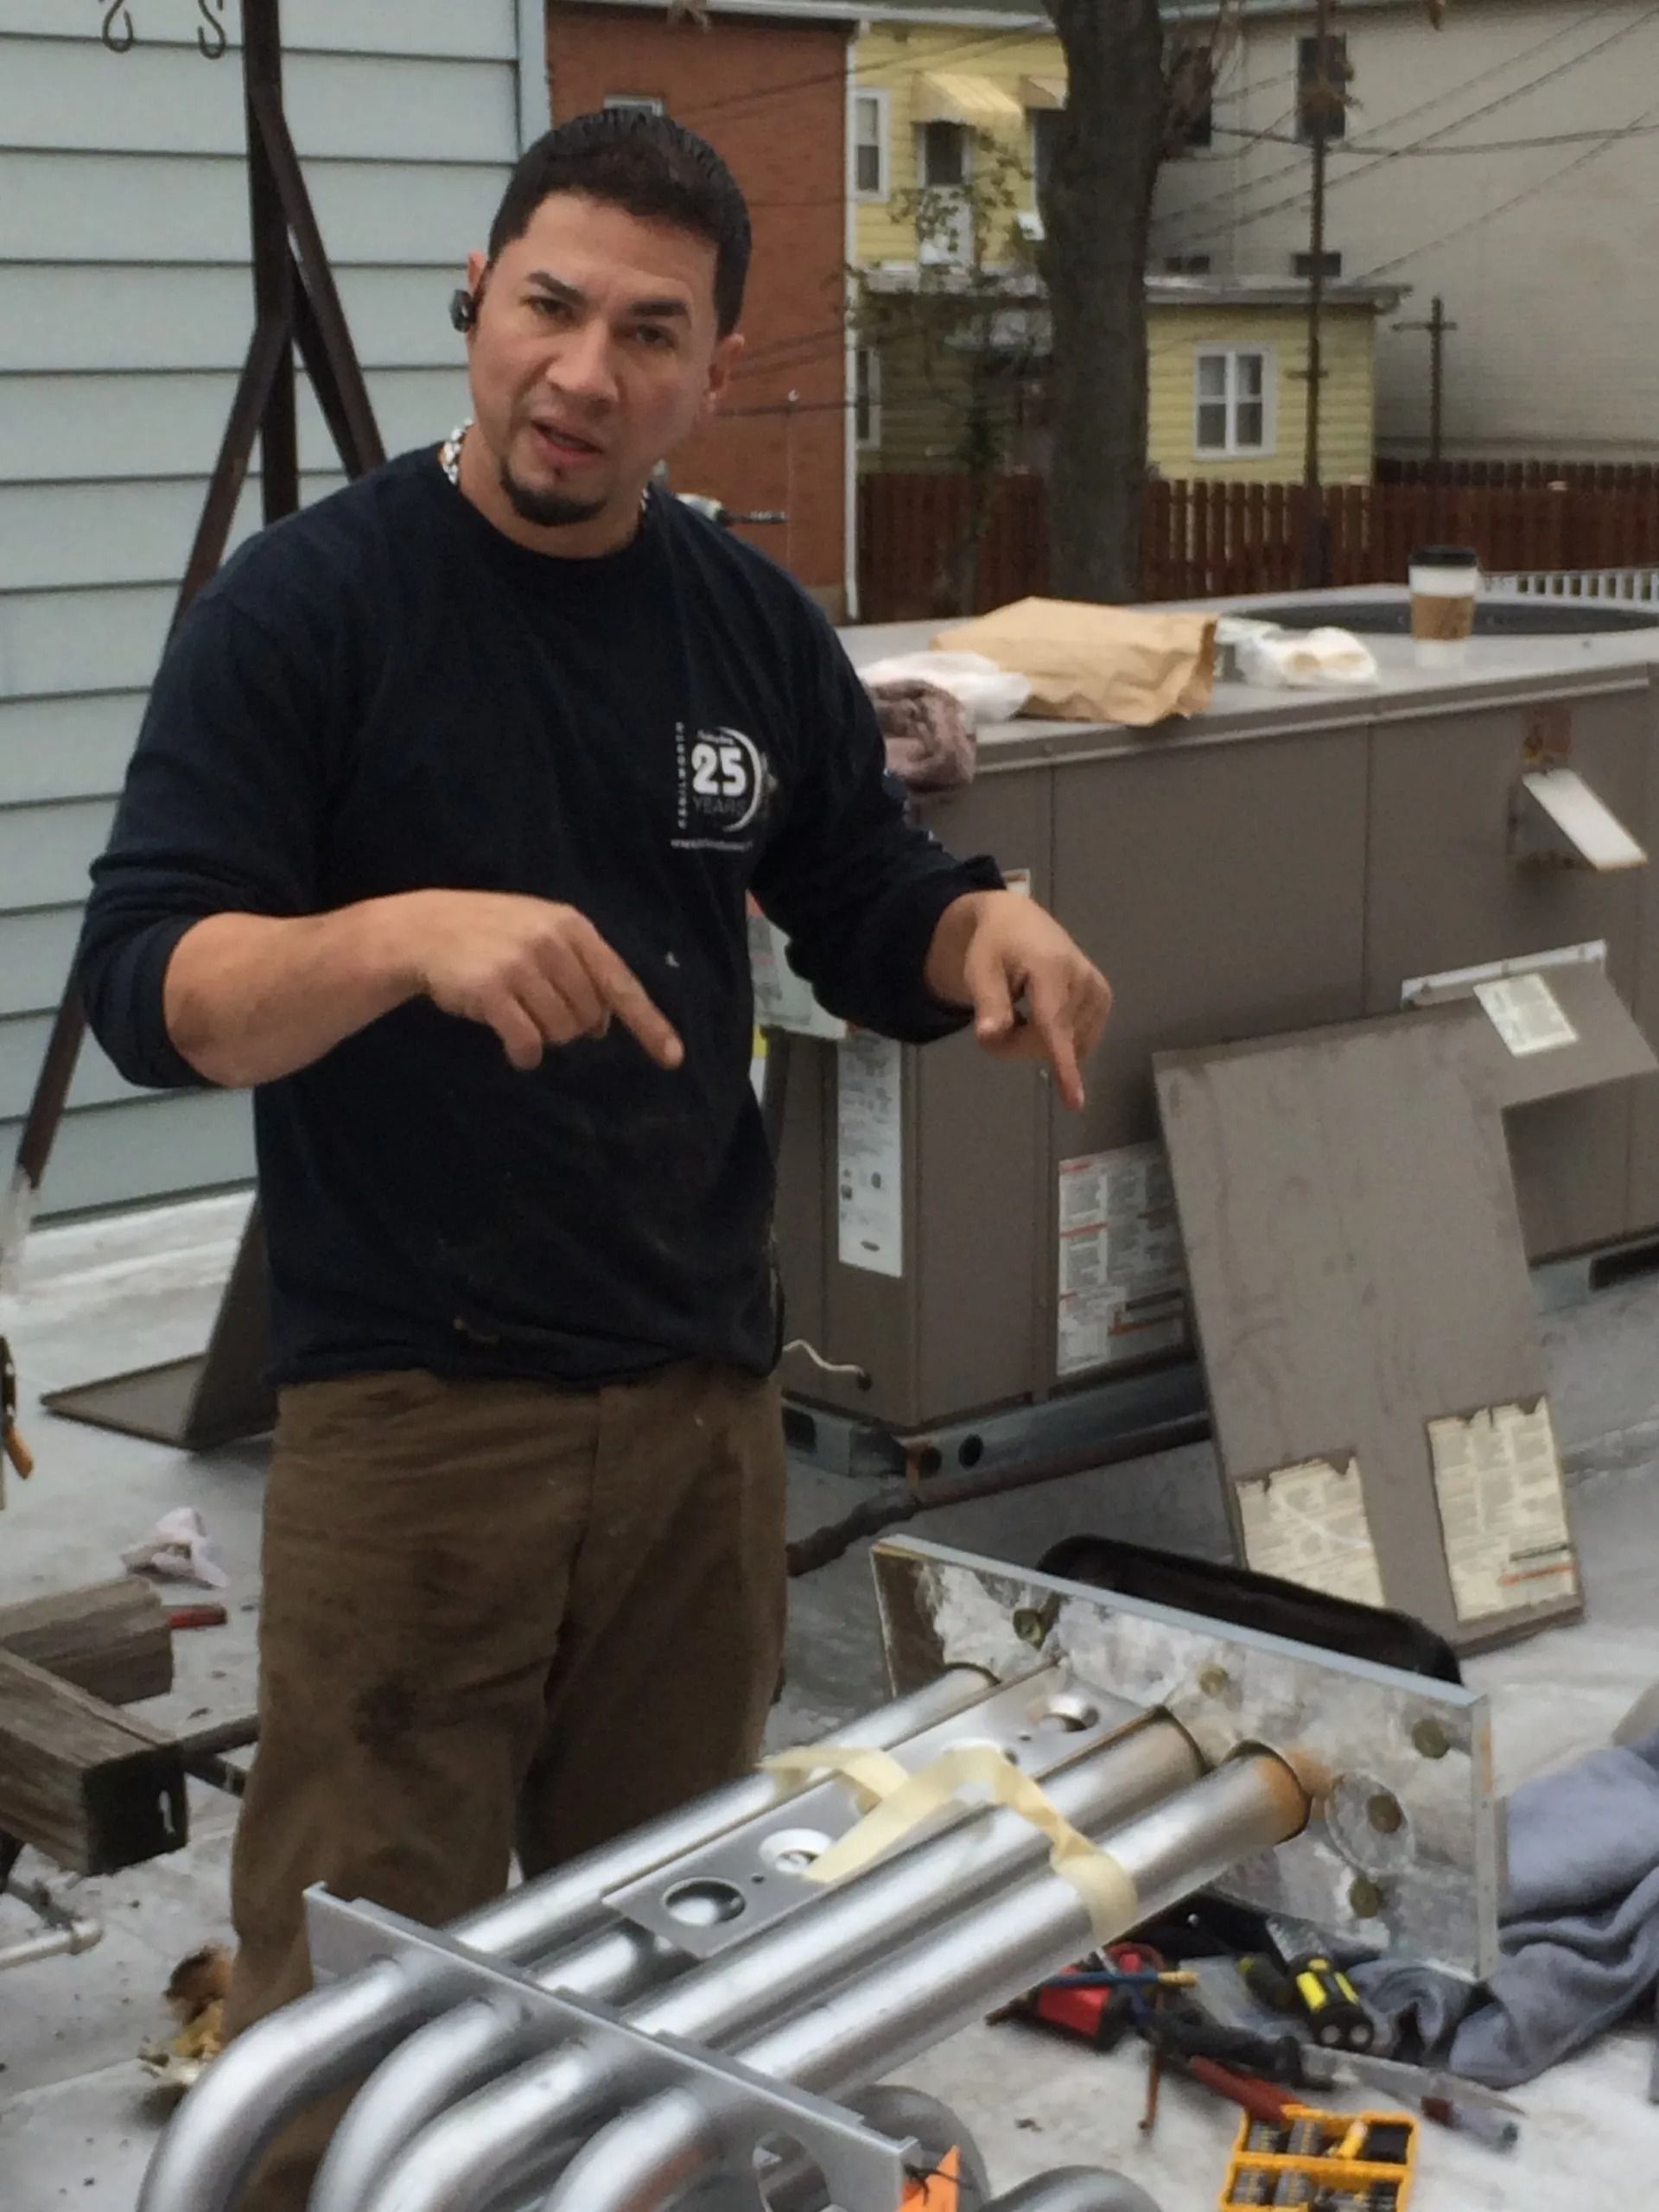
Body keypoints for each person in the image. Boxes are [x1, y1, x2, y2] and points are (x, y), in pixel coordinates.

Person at [79, 110, 1111, 2206]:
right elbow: (152, 990)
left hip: (698, 1413)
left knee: (672, 1994)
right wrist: (401, 936)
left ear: (714, 370)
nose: (584, 371)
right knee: (349, 2026)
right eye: (548, 307)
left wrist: (977, 930)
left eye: (650, 332)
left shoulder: (741, 619)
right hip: (417, 1423)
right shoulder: (310, 611)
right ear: (475, 298)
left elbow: (859, 885)